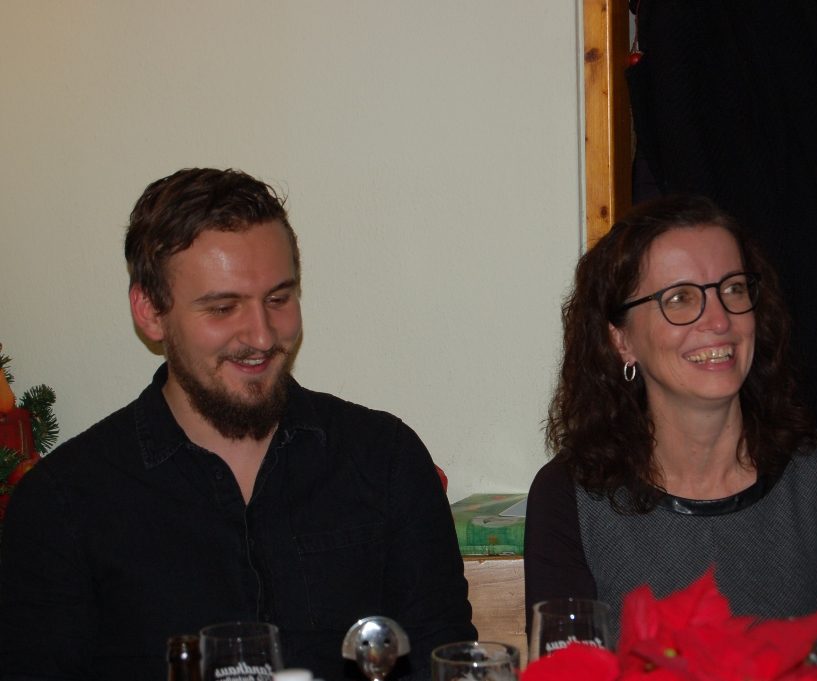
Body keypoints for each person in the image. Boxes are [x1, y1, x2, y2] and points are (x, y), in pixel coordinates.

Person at [0, 168, 475, 680]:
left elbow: (446, 663)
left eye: (278, 299)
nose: (262, 336)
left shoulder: (385, 461)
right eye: (223, 307)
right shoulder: (63, 504)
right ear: (151, 311)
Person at [525, 195, 817, 673]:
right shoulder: (568, 497)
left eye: (733, 289)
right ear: (621, 340)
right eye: (680, 298)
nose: (719, 320)